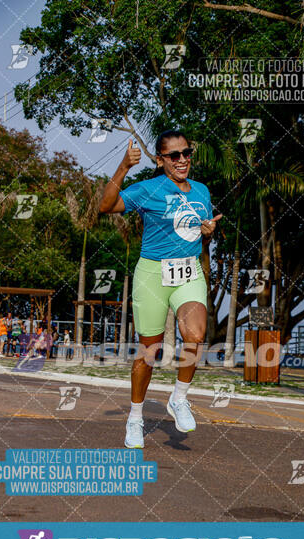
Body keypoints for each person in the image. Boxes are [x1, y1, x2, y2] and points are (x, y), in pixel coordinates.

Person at [99, 131, 222, 449]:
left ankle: (179, 399)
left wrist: (208, 232)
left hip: (188, 271)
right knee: (149, 353)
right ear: (161, 160)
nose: (182, 160)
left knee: (195, 335)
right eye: (174, 155)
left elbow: (201, 235)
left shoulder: (201, 191)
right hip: (152, 275)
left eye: (186, 152)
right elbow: (105, 205)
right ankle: (135, 418)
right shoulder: (148, 189)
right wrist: (124, 166)